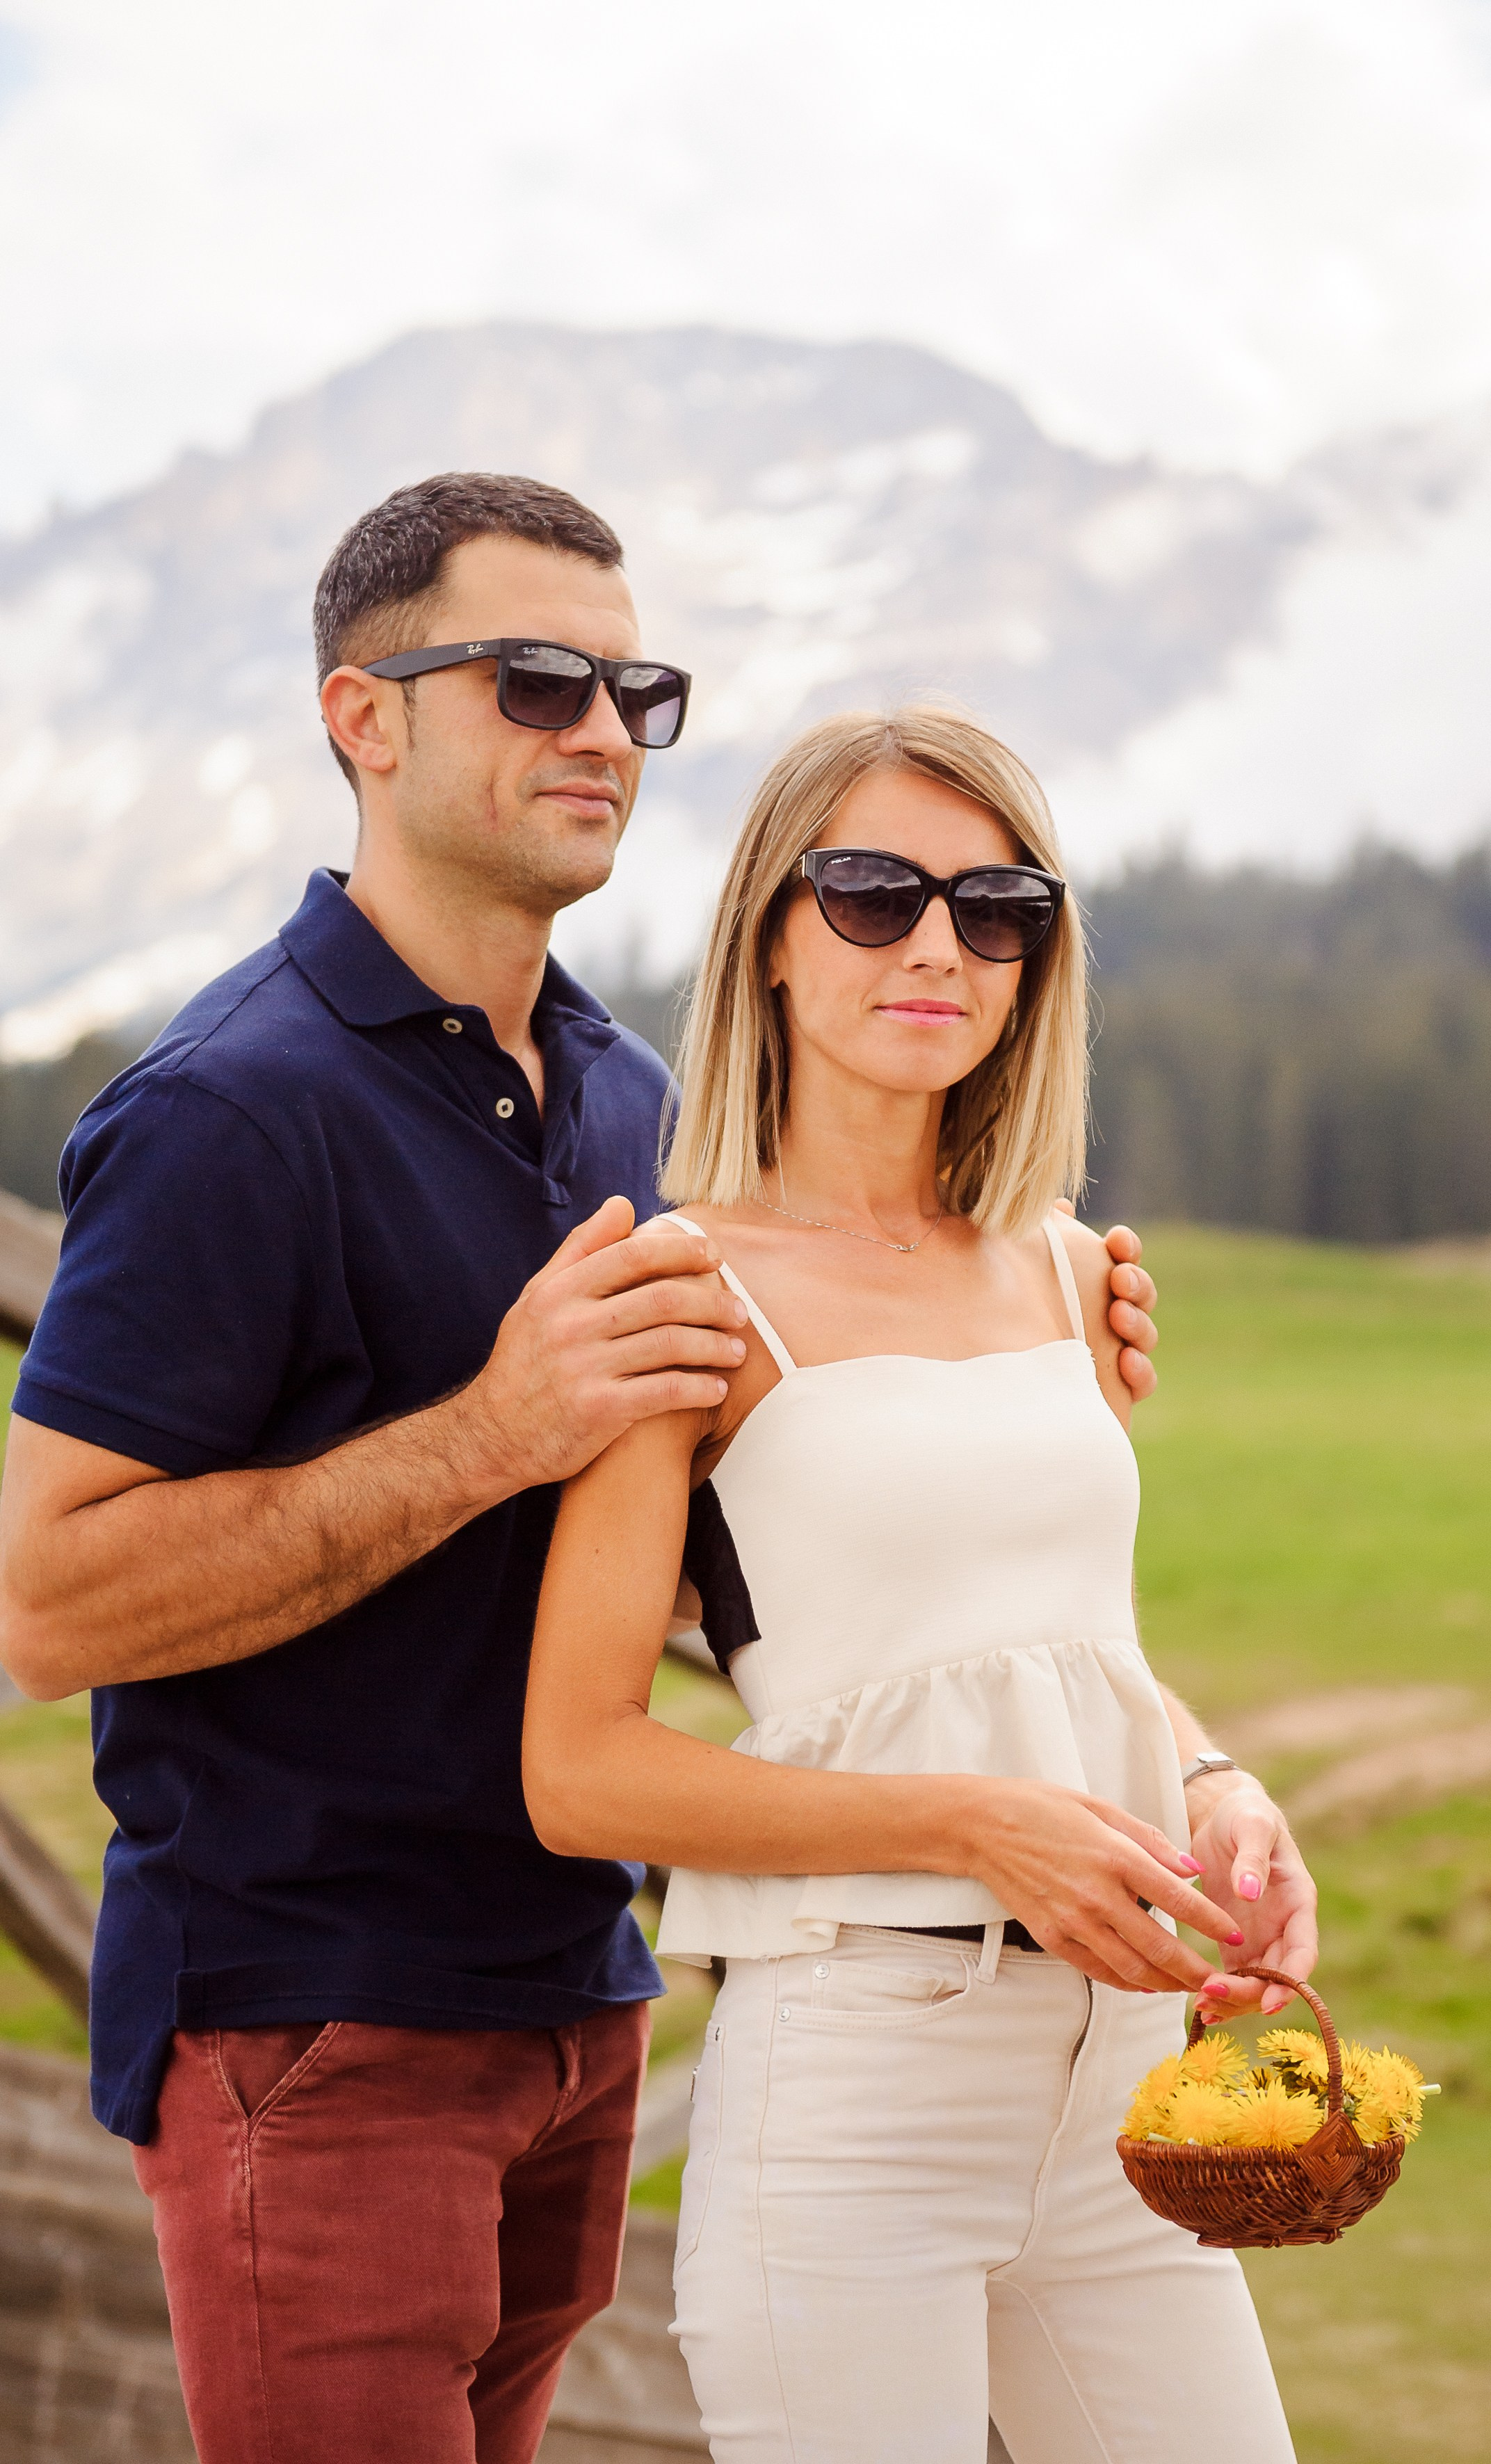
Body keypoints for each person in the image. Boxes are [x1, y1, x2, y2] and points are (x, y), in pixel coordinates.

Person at [0, 476, 1162, 2464]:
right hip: (316, 2021)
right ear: (363, 719)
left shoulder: (634, 1105)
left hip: (579, 2004)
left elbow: (737, 1558)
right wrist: (486, 1434)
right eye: (534, 679)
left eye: (634, 687)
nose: (601, 729)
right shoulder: (228, 1112)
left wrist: (998, 1395)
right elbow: (44, 1604)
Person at [523, 705, 1316, 2463]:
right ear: (774, 934)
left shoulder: (1064, 1266)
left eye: (998, 903)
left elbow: (1051, 1646)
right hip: (857, 2081)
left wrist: (1212, 1780)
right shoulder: (683, 1289)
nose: (940, 944)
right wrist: (976, 1827)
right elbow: (578, 1768)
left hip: (1123, 2079)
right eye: (875, 893)